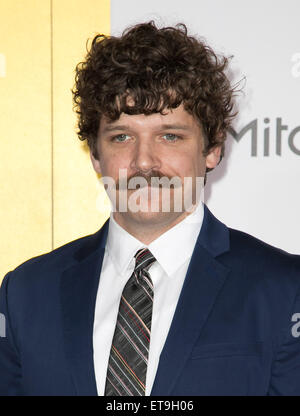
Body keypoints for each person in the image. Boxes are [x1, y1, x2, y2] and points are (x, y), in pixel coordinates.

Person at [1, 21, 300, 396]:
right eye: (122, 136)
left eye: (169, 136)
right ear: (95, 154)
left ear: (212, 150)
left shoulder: (285, 289)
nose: (144, 161)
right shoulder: (26, 294)